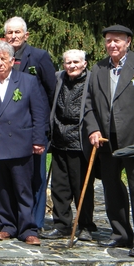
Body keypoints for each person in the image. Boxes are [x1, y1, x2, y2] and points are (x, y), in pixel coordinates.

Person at [84, 25, 134, 258]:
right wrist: (93, 129)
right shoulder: (99, 68)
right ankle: (121, 233)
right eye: (108, 40)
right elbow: (89, 104)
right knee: (111, 188)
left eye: (117, 40)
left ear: (128, 41)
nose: (112, 44)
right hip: (106, 139)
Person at [0, 41, 48, 245]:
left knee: (23, 189)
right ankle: (7, 225)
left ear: (12, 61)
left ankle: (28, 229)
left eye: (3, 59)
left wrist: (38, 139)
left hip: (21, 144)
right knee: (3, 189)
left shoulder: (27, 82)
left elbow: (39, 113)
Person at [3, 16, 56, 230]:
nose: (14, 36)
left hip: (34, 128)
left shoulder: (39, 56)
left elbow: (51, 91)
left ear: (26, 35)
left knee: (36, 177)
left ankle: (35, 222)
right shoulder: (2, 57)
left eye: (18, 32)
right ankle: (15, 220)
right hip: (9, 130)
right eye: (10, 32)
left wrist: (45, 125)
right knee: (13, 177)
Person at [41, 49, 96, 242]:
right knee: (59, 187)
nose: (72, 66)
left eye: (75, 62)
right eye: (68, 62)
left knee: (81, 187)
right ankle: (62, 225)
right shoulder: (58, 78)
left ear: (84, 64)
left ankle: (86, 225)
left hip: (79, 142)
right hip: (59, 140)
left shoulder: (91, 81)